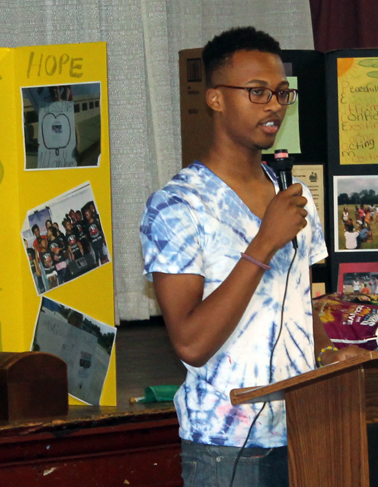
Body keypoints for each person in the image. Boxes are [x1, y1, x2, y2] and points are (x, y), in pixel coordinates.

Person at [140, 26, 365, 487]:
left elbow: (299, 304)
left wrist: (329, 353)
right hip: (227, 448)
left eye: (282, 92)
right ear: (216, 98)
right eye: (257, 92)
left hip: (309, 431)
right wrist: (262, 244)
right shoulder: (177, 205)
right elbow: (191, 343)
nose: (274, 105)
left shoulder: (292, 195)